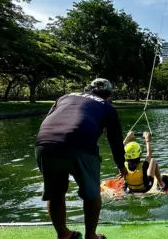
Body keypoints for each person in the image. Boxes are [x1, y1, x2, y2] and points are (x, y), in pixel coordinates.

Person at [35, 78, 128, 239]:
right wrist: (121, 166)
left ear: (87, 89)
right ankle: (91, 236)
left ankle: (63, 234)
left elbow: (50, 118)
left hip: (44, 143)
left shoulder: (64, 97)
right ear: (108, 95)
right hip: (80, 144)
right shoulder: (106, 106)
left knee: (55, 193)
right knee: (92, 194)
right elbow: (115, 141)